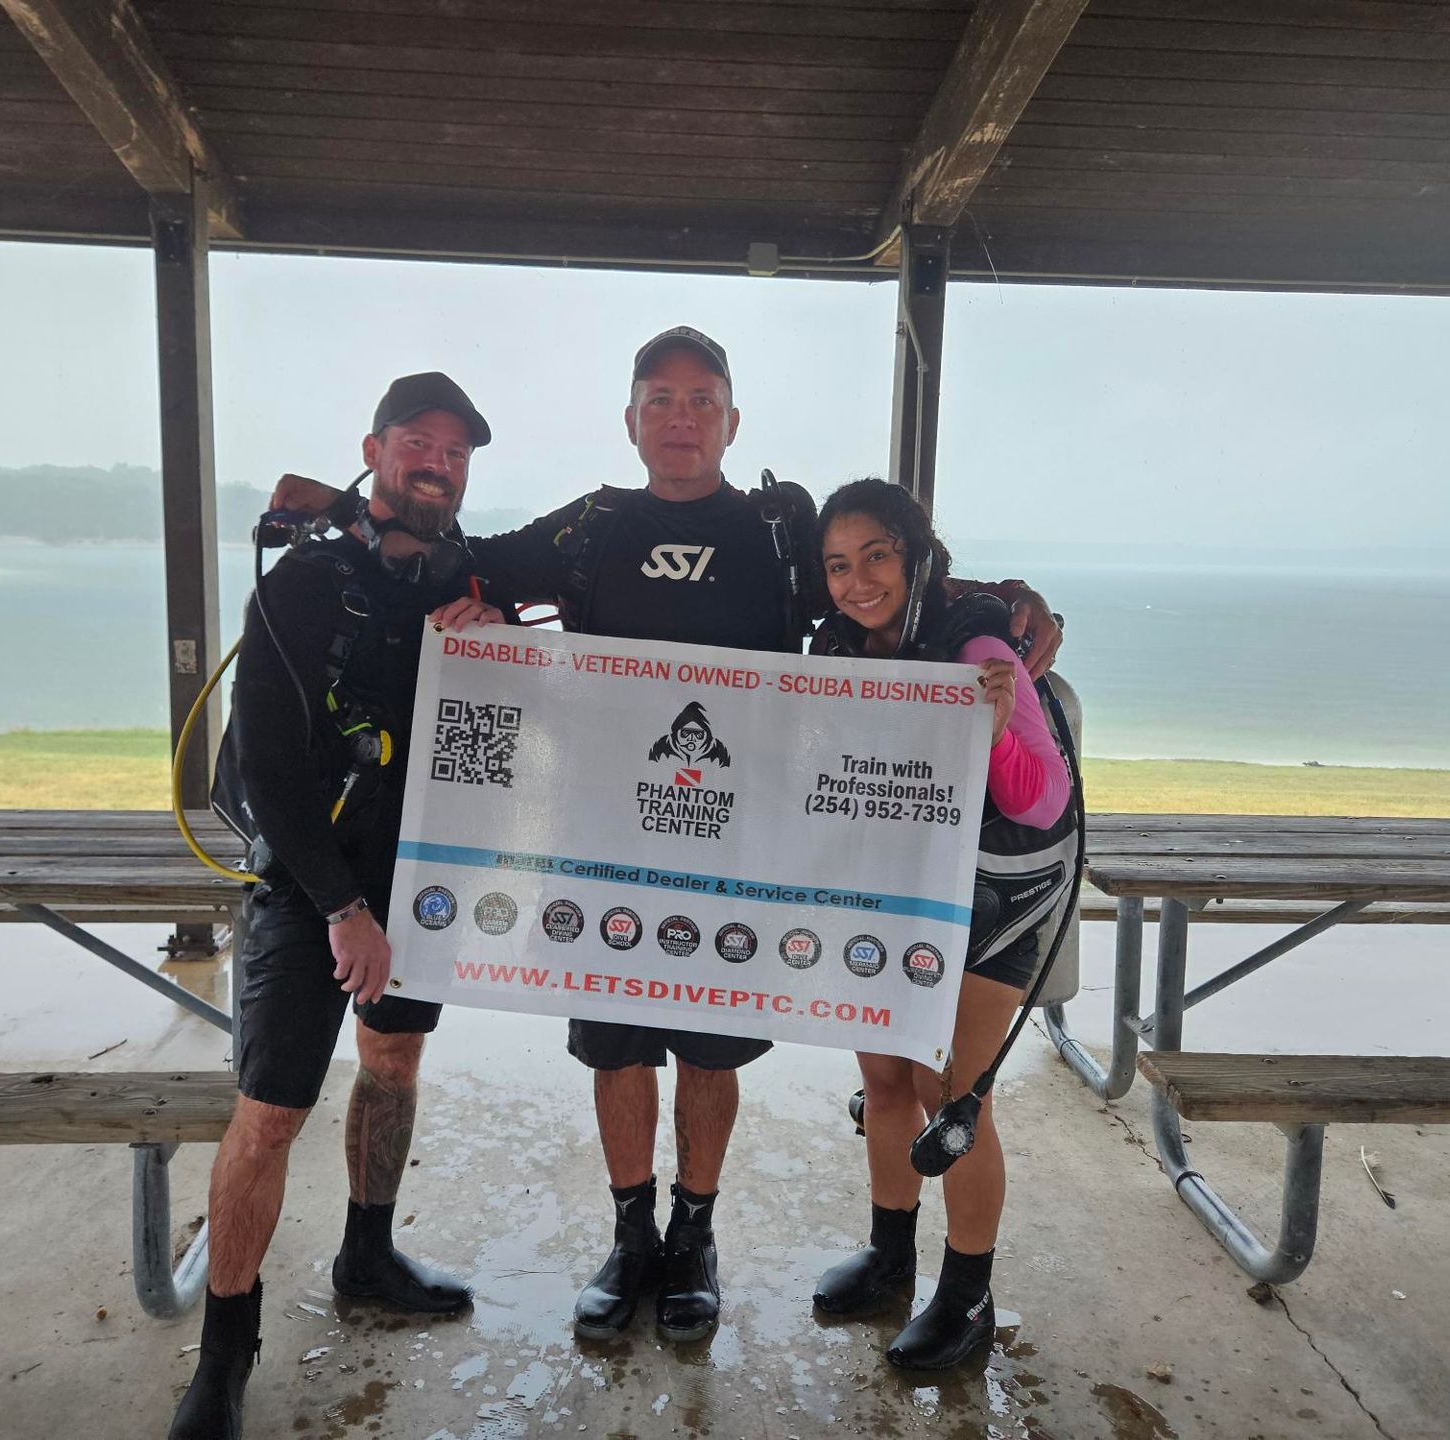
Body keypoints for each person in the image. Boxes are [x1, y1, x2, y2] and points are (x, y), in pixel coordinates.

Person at [269, 327, 1067, 1348]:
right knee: (616, 1055)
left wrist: (1009, 605)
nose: (681, 417)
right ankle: (630, 1237)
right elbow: (455, 564)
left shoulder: (782, 534)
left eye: (702, 400)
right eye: (660, 399)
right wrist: (417, 571)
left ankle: (695, 1238)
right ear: (631, 419)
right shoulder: (590, 528)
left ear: (732, 421)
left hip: (744, 858)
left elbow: (883, 579)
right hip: (602, 851)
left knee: (709, 1051)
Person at [170, 373, 501, 1440]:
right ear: (375, 449)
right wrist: (341, 908)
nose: (435, 463)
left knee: (393, 1065)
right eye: (417, 442)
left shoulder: (468, 575)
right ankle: (222, 1356)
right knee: (269, 1114)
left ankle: (368, 1253)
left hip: (415, 887)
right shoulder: (305, 583)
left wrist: (494, 619)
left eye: (454, 451)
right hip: (306, 884)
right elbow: (265, 760)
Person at [805, 477, 1070, 1371]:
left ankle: (967, 1296)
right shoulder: (839, 649)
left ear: (915, 556)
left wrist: (991, 727)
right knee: (883, 1074)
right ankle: (890, 1258)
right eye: (839, 564)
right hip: (897, 889)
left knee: (949, 1090)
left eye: (876, 555)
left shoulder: (981, 645)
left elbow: (1043, 805)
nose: (857, 580)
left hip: (998, 901)